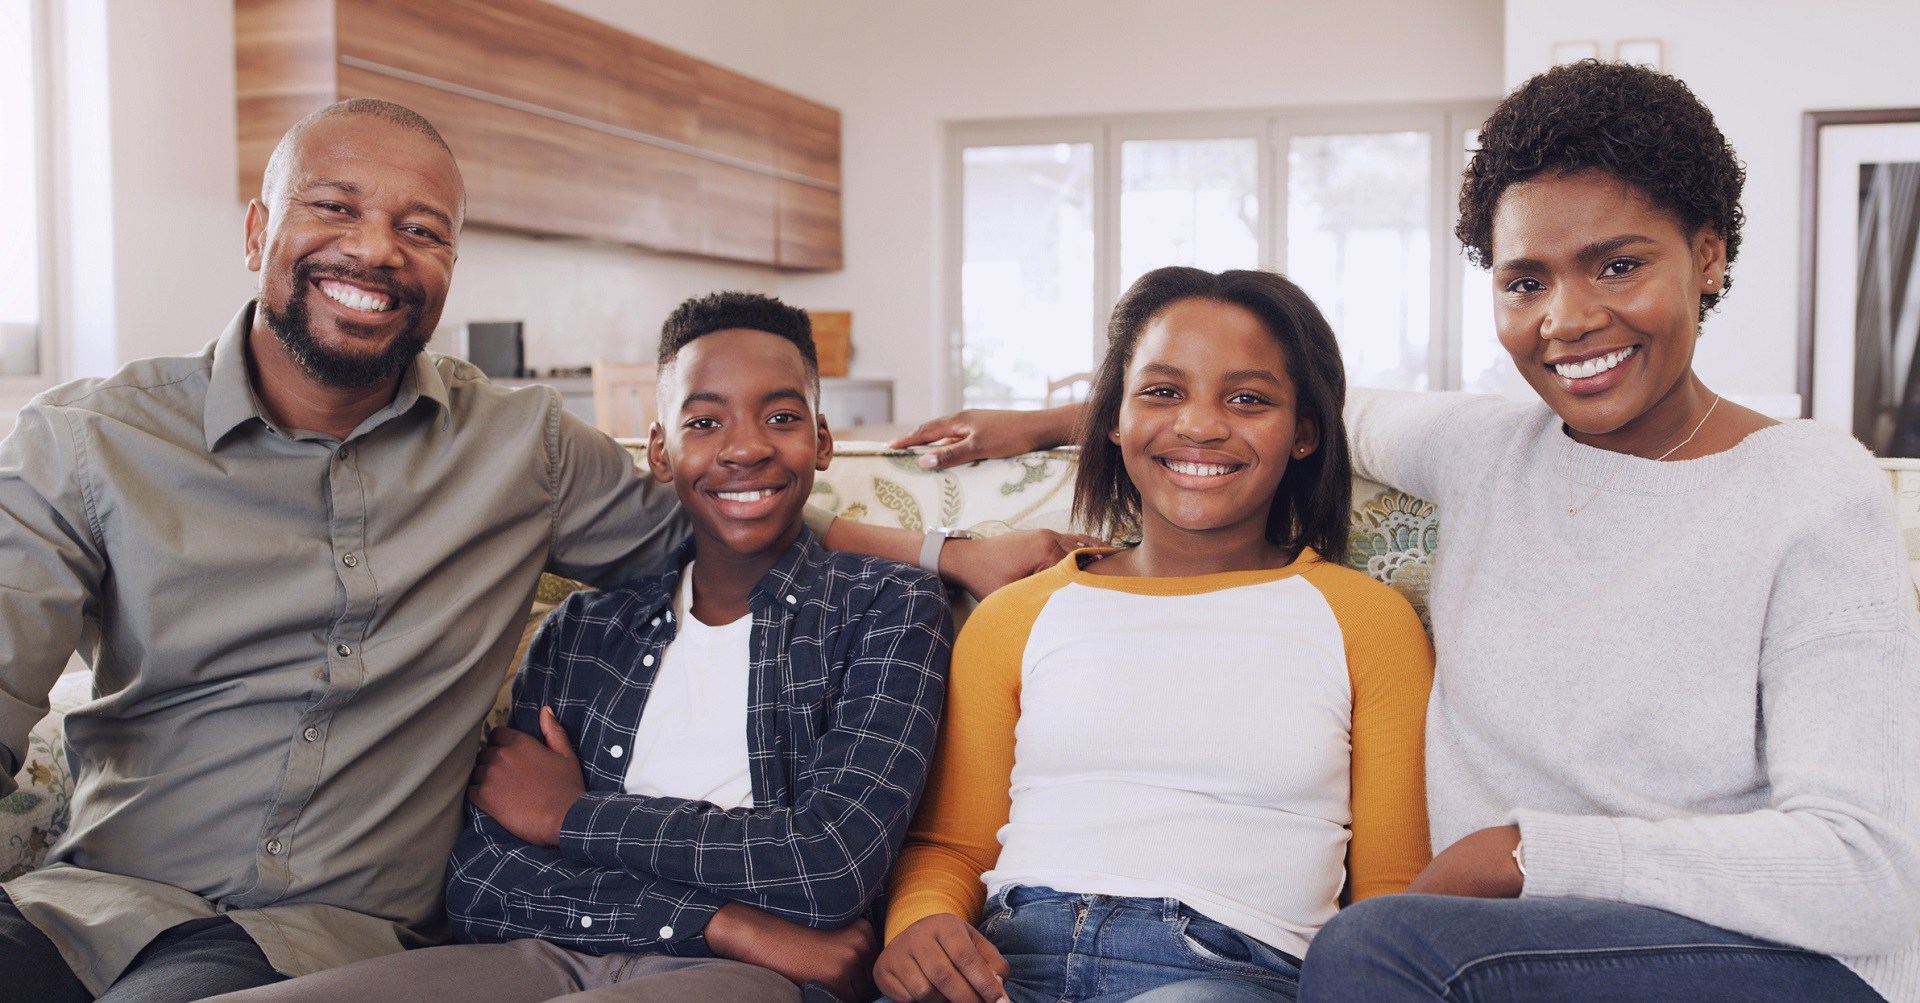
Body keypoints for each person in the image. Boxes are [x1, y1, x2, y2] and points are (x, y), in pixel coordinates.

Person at [0, 99, 1070, 1002]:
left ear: (451, 264)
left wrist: (941, 553)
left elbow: (736, 520)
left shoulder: (524, 450)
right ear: (256, 233)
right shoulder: (89, 437)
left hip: (313, 932)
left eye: (421, 229)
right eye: (335, 207)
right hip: (87, 900)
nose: (376, 249)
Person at [895, 63, 1920, 1003]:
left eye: (1616, 266)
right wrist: (1054, 421)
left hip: (1758, 955)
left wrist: (1522, 855)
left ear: (1707, 256)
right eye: (1526, 281)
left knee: (1372, 950)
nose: (1566, 318)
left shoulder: (1811, 488)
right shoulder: (1483, 447)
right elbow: (1283, 401)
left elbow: (1871, 871)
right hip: (1498, 951)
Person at [212, 292, 950, 1003]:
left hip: (749, 982)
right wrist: (730, 923)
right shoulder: (587, 630)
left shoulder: (886, 606)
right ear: (659, 452)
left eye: (781, 416)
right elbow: (487, 883)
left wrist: (569, 817)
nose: (746, 447)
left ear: (821, 440)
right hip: (566, 954)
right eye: (703, 422)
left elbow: (829, 863)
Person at [872, 266, 1434, 1003]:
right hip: (1006, 963)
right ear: (1113, 418)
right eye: (1163, 391)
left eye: (1248, 398)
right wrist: (919, 925)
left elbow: (1393, 895)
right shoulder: (1015, 615)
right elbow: (950, 845)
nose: (1199, 424)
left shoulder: (1365, 620)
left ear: (1304, 432)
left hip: (1223, 972)